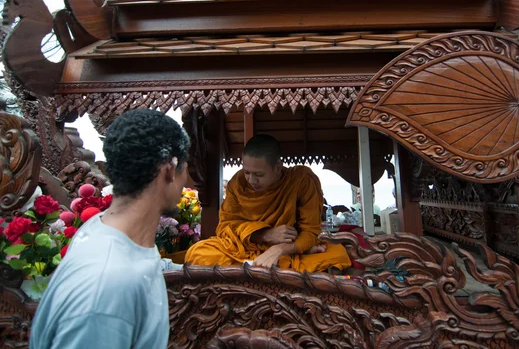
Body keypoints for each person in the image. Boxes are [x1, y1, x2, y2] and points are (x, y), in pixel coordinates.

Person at [30, 109, 190, 349]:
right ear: (170, 169)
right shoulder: (107, 289)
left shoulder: (102, 227)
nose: (186, 179)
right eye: (186, 168)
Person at [185, 134, 351, 272]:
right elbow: (225, 227)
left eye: (259, 174)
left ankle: (258, 267)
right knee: (197, 253)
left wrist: (280, 249)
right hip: (243, 248)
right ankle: (262, 266)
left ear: (278, 167)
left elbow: (310, 232)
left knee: (337, 255)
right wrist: (265, 235)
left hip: (286, 250)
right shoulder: (238, 183)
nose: (251, 180)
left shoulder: (300, 181)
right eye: (247, 172)